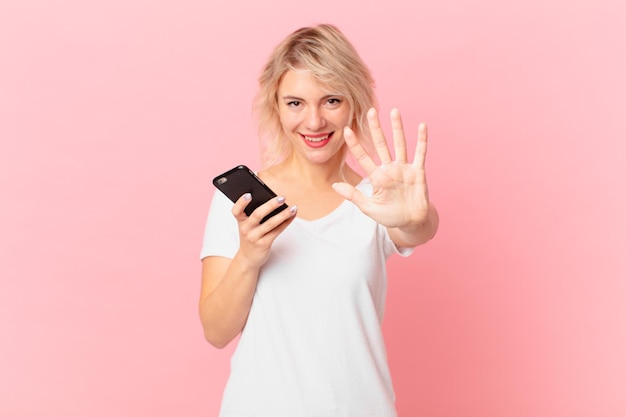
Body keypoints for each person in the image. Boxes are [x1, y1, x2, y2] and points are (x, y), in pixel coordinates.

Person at [199, 23, 439, 417]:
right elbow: (216, 332)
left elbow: (417, 227)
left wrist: (416, 217)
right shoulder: (242, 204)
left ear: (355, 103)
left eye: (331, 101)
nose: (313, 123)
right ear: (276, 106)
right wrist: (249, 255)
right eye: (295, 103)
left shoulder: (376, 199)